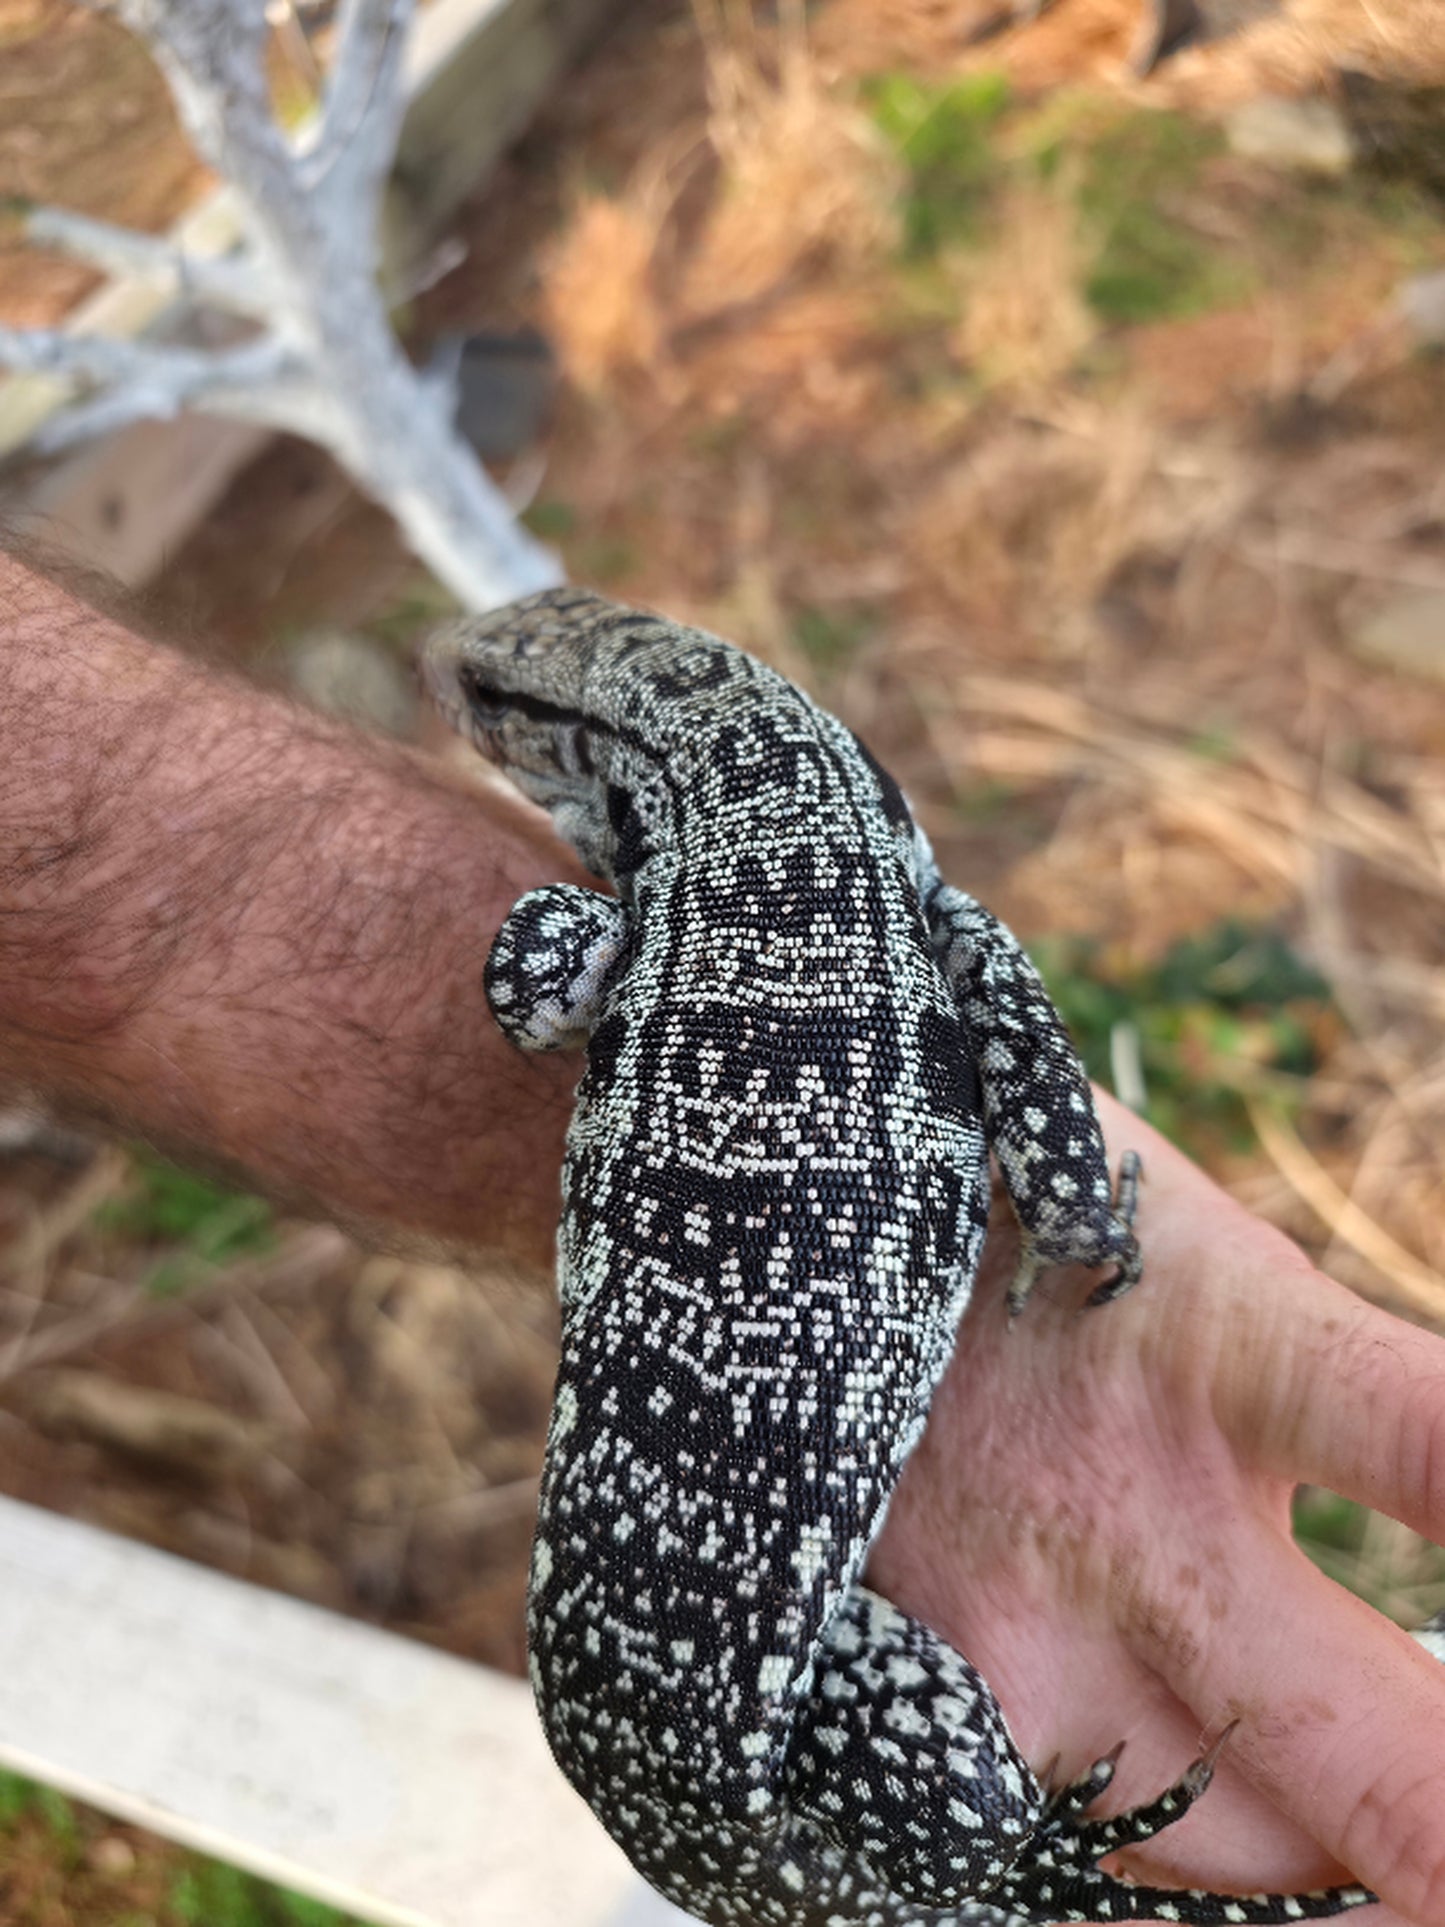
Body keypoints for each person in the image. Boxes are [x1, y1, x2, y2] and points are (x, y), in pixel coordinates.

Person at [1, 545, 1442, 1923]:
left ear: (576, 746)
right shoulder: (897, 889)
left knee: (920, 1829)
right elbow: (1007, 1030)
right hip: (661, 1668)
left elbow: (530, 995)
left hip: (700, 1684)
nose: (466, 706)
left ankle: (983, 1877)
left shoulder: (692, 912)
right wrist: (1079, 1229)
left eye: (491, 706)